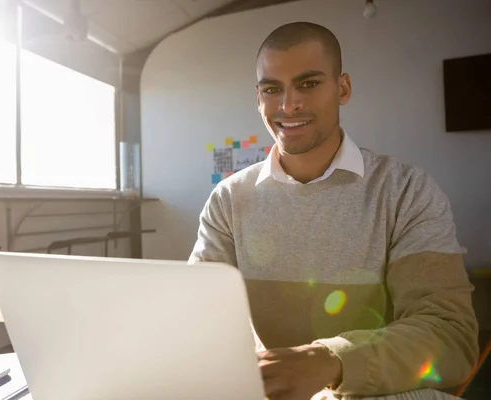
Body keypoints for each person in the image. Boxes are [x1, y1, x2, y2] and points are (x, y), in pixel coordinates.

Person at [189, 22, 478, 400]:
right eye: (272, 89)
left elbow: (450, 337)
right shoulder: (228, 199)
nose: (288, 105)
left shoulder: (406, 190)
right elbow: (196, 316)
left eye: (308, 84)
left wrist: (330, 360)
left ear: (343, 88)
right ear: (258, 97)